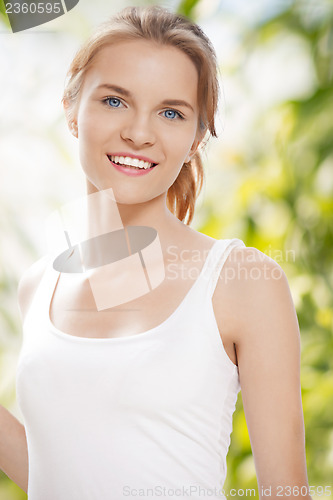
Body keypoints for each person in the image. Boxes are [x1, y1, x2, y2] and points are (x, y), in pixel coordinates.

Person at [0, 5, 312, 500]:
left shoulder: (240, 281)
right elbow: (58, 474)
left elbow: (286, 494)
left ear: (196, 137)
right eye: (115, 101)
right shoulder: (38, 286)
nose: (139, 133)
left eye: (171, 112)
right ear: (71, 108)